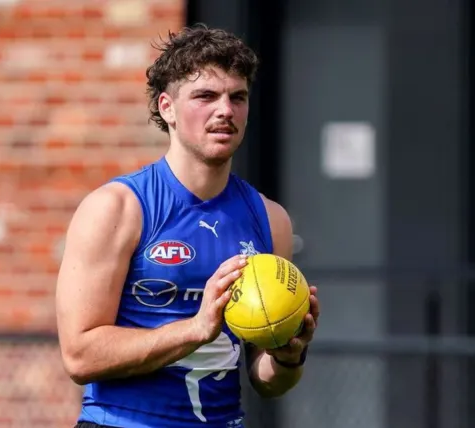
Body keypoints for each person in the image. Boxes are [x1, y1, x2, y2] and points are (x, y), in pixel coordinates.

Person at [55, 24, 321, 428]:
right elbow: (80, 355)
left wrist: (287, 355)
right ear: (167, 108)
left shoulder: (270, 219)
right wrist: (196, 328)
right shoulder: (117, 208)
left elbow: (266, 380)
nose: (225, 110)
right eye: (205, 96)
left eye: (238, 97)